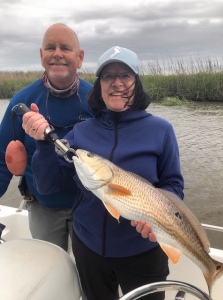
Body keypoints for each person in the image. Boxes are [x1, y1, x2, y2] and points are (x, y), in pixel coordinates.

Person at [22, 46, 184, 300]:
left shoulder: (161, 130)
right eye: (108, 76)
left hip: (143, 252)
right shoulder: (82, 132)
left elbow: (173, 185)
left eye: (125, 76)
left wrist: (157, 217)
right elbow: (48, 185)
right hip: (89, 251)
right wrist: (42, 144)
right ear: (99, 85)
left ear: (137, 82)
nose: (117, 83)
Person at [0, 23, 94, 251]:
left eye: (66, 48)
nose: (57, 54)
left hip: (89, 206)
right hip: (43, 207)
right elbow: (3, 158)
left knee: (89, 274)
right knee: (49, 267)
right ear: (42, 56)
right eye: (50, 48)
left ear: (80, 57)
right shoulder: (20, 103)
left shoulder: (96, 100)